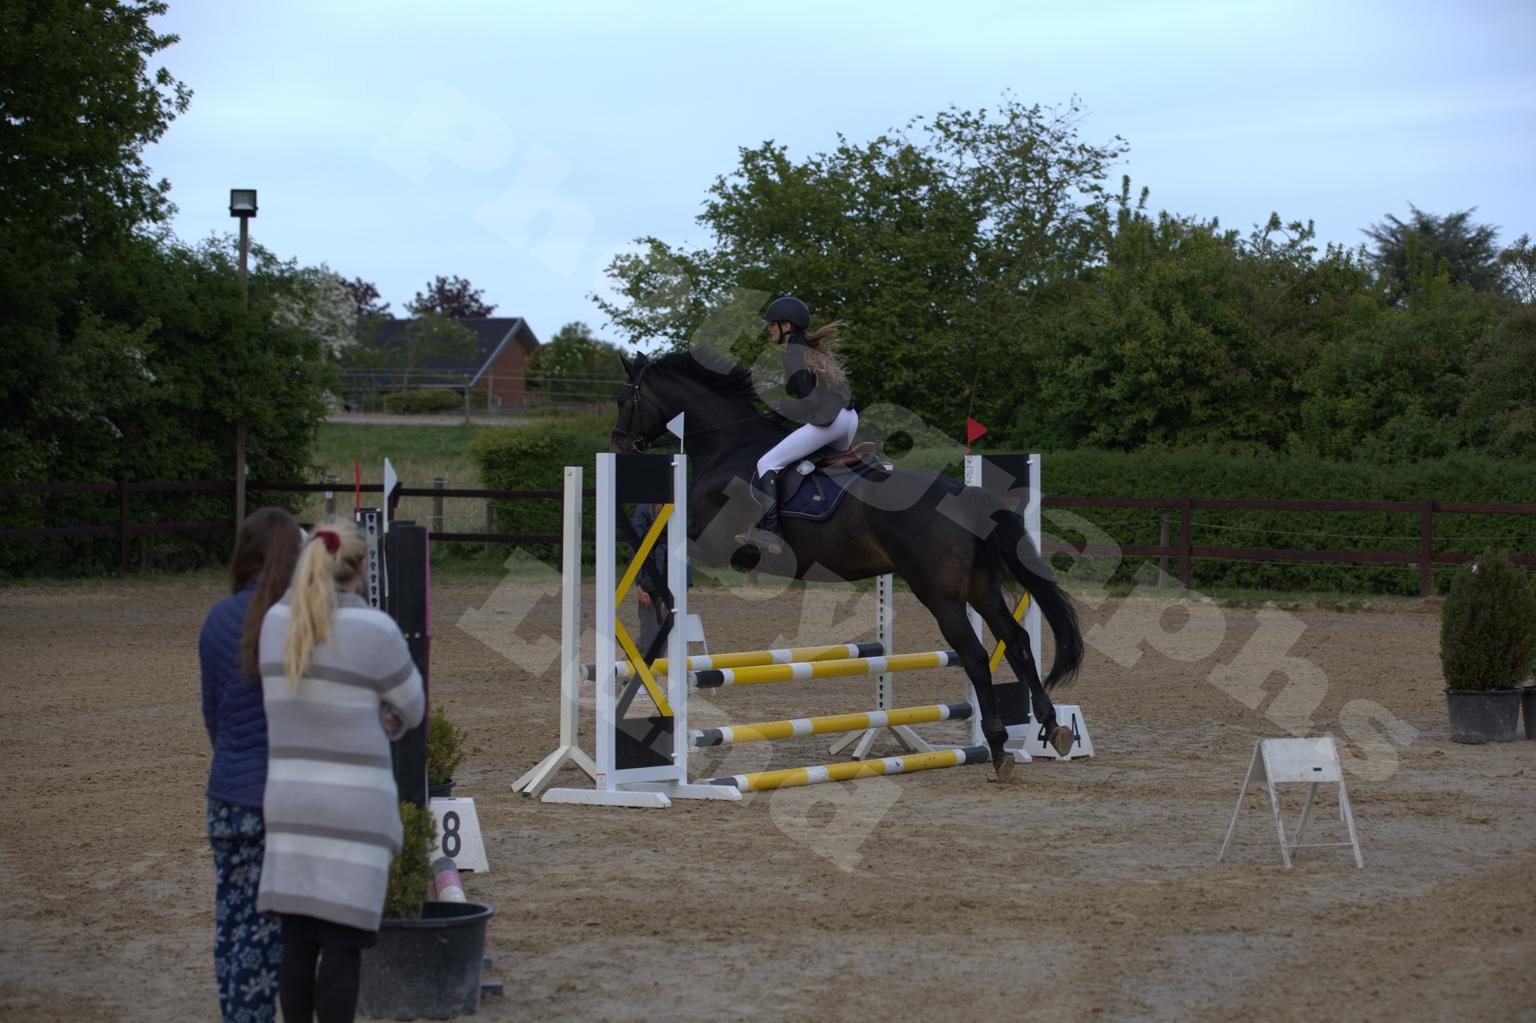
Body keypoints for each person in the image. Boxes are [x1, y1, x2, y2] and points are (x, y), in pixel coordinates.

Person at [256, 516, 425, 1023]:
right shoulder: (375, 629)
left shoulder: (274, 623)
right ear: (363, 565)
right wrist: (381, 715)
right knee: (342, 946)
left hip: (290, 804)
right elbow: (412, 707)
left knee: (297, 940)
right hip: (355, 809)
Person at [199, 506, 304, 1023]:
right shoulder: (292, 624)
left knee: (231, 923)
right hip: (273, 799)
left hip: (225, 796)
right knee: (265, 938)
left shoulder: (217, 619)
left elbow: (213, 714)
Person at [736, 295, 857, 554]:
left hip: (830, 422)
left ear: (787, 326)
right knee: (813, 465)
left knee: (767, 463)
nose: (770, 329)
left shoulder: (793, 353)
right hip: (849, 419)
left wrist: (781, 407)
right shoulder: (811, 351)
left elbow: (811, 402)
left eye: (773, 324)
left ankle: (771, 531)